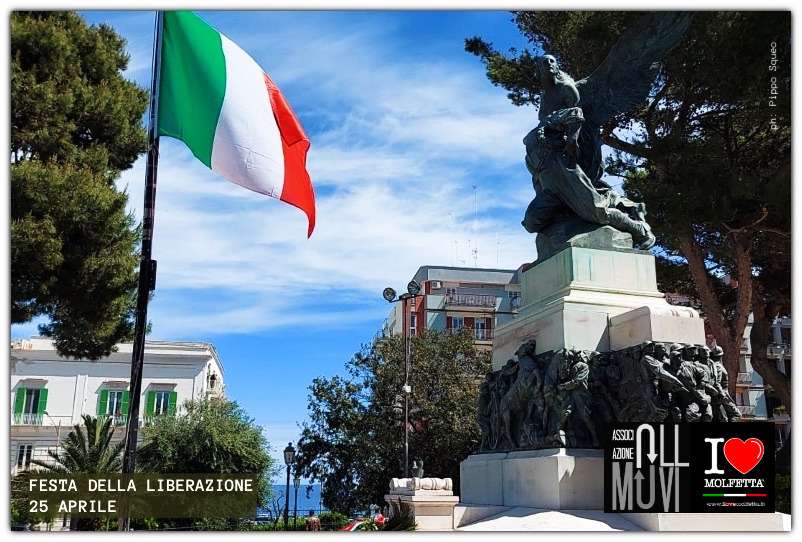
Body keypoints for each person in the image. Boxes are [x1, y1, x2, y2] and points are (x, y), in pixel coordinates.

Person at [522, 55, 655, 250]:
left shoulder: (561, 105)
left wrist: (572, 141)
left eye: (551, 61)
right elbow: (535, 171)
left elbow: (575, 114)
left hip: (565, 172)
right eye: (544, 62)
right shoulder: (534, 134)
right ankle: (575, 208)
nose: (548, 65)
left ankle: (638, 229)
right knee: (532, 222)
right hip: (549, 185)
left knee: (597, 212)